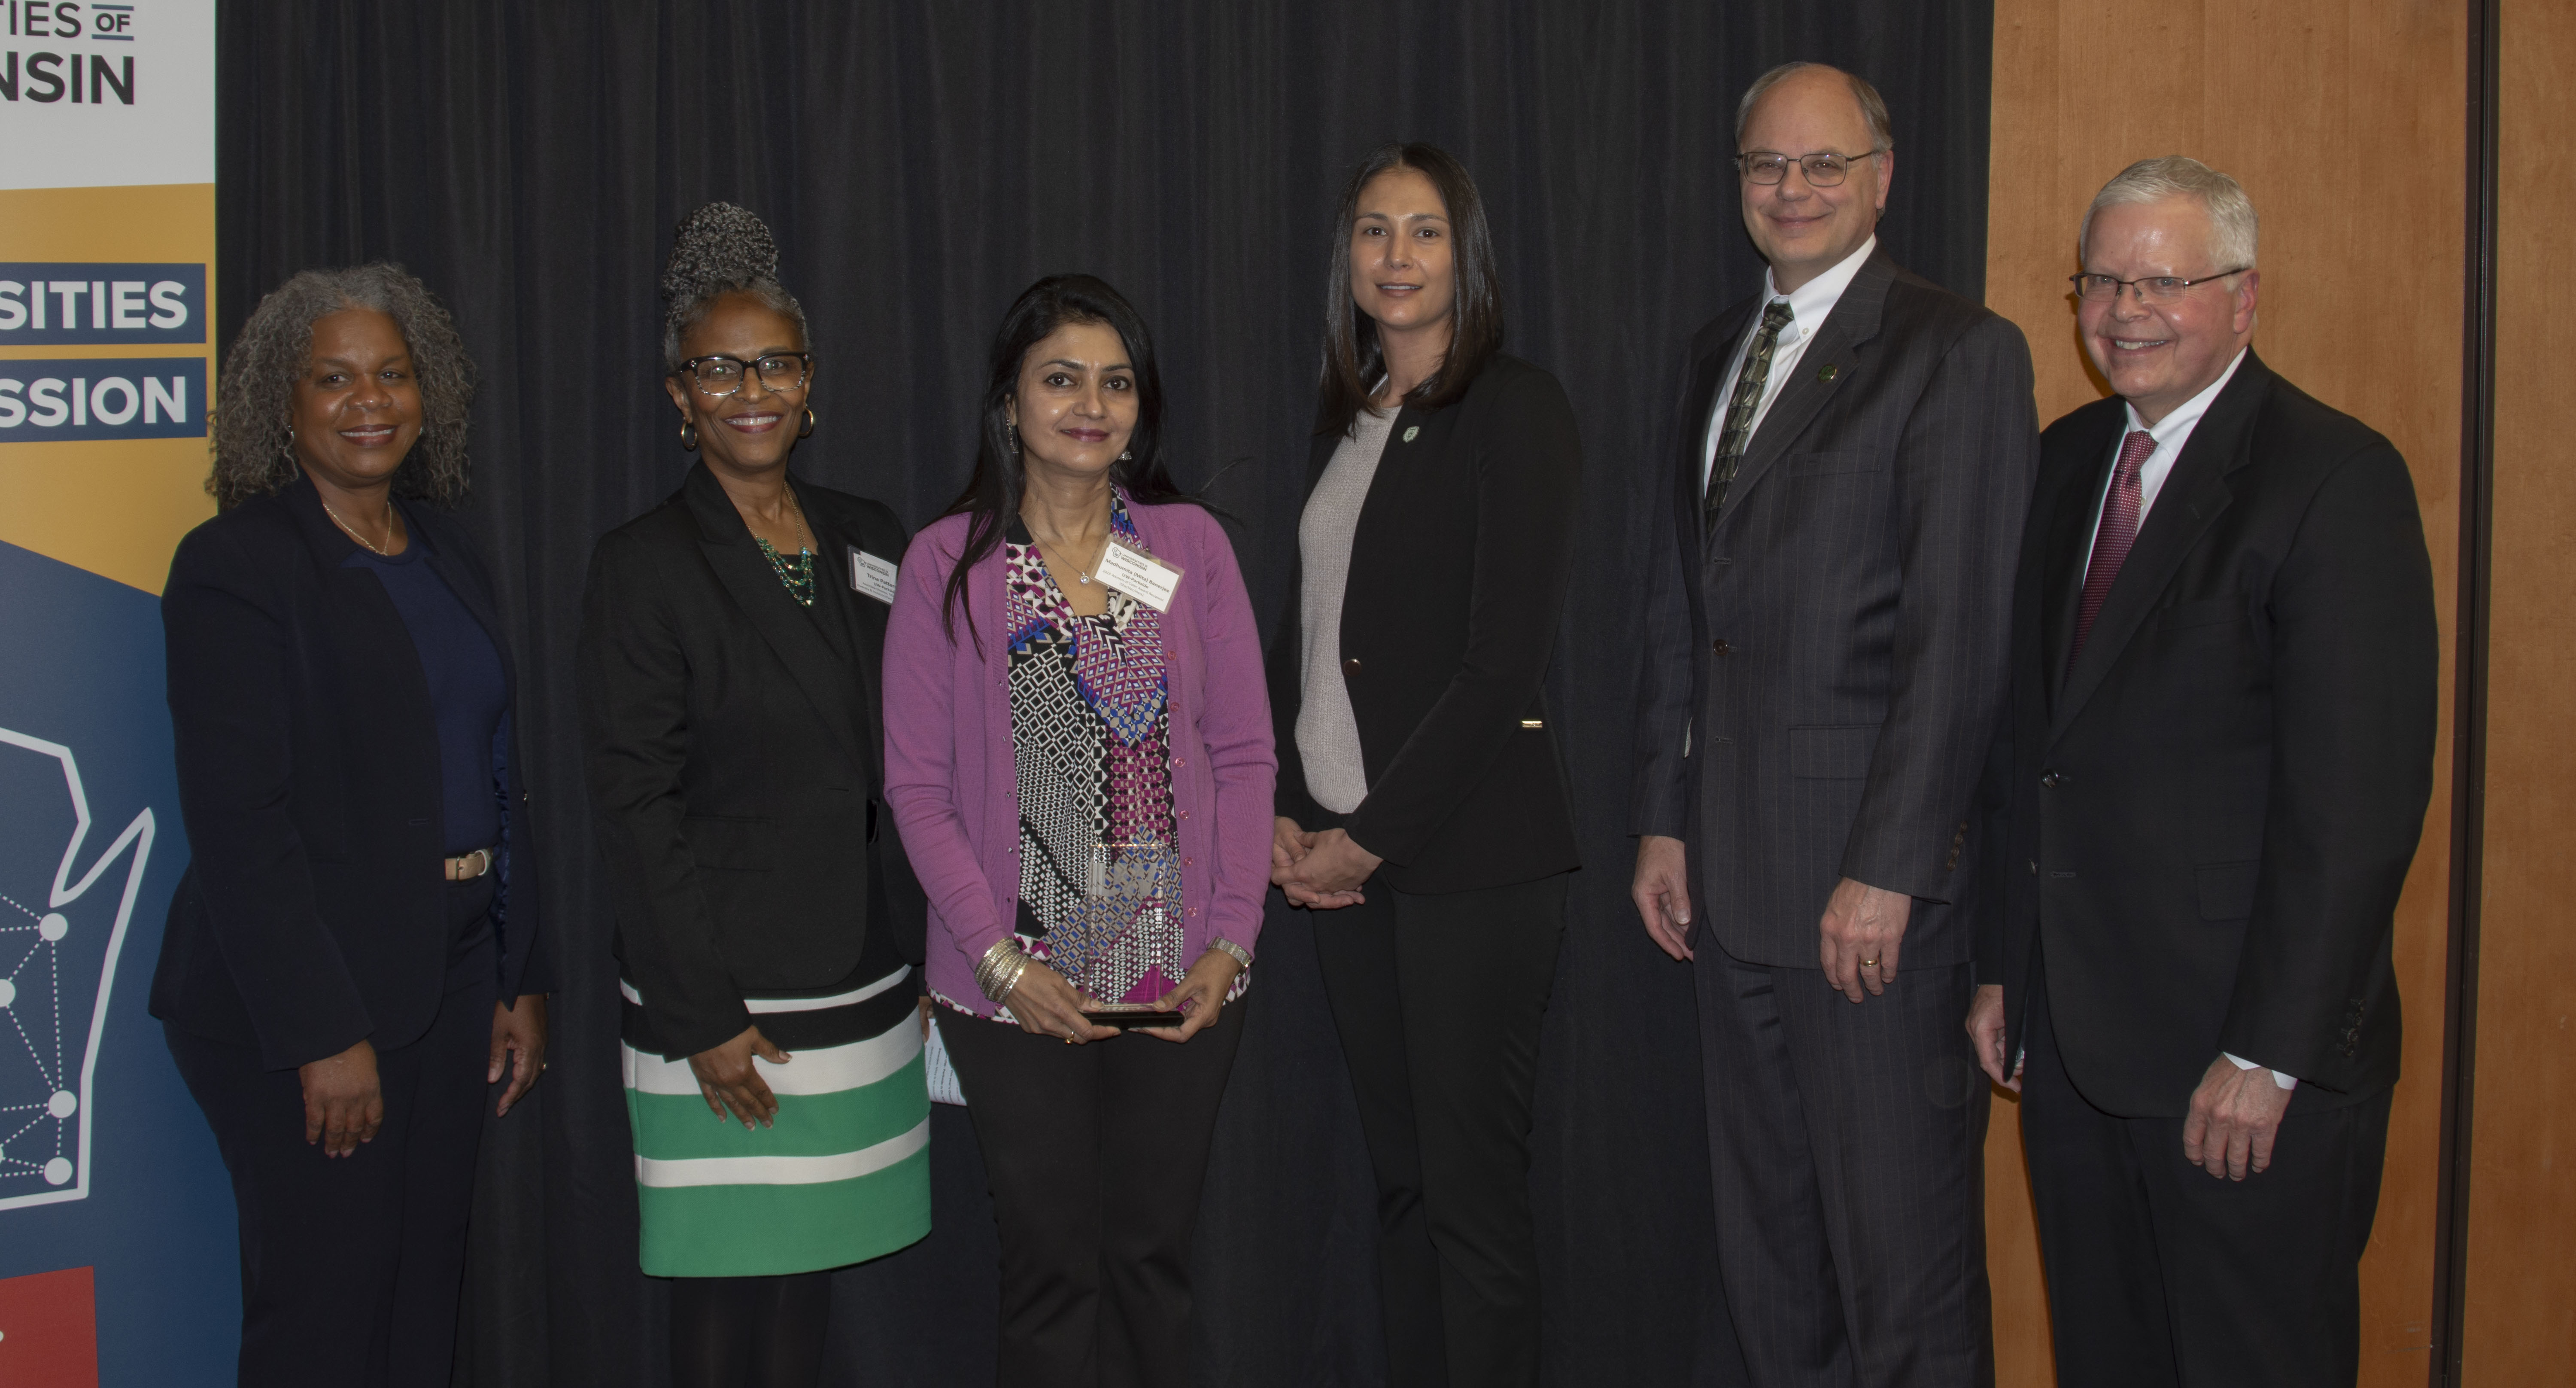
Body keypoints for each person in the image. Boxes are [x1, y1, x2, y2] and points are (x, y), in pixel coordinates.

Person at [1967, 158, 2436, 1388]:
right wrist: (2004, 965)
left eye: (2165, 281)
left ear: (2246, 297)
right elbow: (2030, 749)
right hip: (2073, 1049)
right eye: (2104, 281)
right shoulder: (2066, 460)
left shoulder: (2334, 479)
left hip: (2239, 1067)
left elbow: (2358, 808)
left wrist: (2269, 1054)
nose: (2128, 310)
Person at [1628, 63, 2039, 1385]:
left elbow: (1959, 641)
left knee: (1901, 1277)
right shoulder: (1714, 352)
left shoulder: (1956, 351)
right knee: (1771, 1270)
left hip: (1871, 906)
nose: (1791, 189)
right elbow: (1685, 613)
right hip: (1730, 887)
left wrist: (1892, 866)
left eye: (1822, 164)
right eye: (1766, 165)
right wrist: (1660, 817)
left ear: (1882, 177)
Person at [151, 264, 550, 1388]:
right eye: (333, 378)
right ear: (284, 402)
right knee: (326, 1320)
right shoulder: (237, 567)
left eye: (391, 374)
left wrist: (519, 967)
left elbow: (500, 766)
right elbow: (240, 825)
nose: (367, 401)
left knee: (424, 1306)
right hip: (307, 1001)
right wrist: (321, 1033)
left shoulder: (445, 549)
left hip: (453, 972)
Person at [882, 274, 1273, 1388]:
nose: (1090, 405)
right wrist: (1003, 967)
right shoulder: (946, 566)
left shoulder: (1192, 547)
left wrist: (1230, 941)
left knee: (1152, 1265)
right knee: (1052, 1271)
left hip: (1178, 975)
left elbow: (1245, 758)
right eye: (1061, 379)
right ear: (1009, 401)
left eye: (1115, 383)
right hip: (1017, 984)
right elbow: (917, 791)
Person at [577, 202, 930, 1388]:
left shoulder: (872, 537)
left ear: (811, 382)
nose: (750, 389)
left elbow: (914, 761)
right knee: (726, 1304)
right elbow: (635, 807)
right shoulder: (641, 567)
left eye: (774, 362)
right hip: (728, 1005)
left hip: (865, 987)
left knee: (807, 1292)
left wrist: (927, 962)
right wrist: (704, 1019)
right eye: (717, 368)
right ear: (678, 395)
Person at [1267, 142, 1583, 1388]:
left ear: (1469, 257)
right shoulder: (1350, 422)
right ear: (1346, 256)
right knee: (1401, 1189)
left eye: (1426, 232)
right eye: (1374, 231)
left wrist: (1366, 834)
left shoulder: (1516, 408)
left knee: (1471, 1204)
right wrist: (1295, 819)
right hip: (1348, 864)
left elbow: (1499, 665)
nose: (1396, 256)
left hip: (1469, 865)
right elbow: (1314, 641)